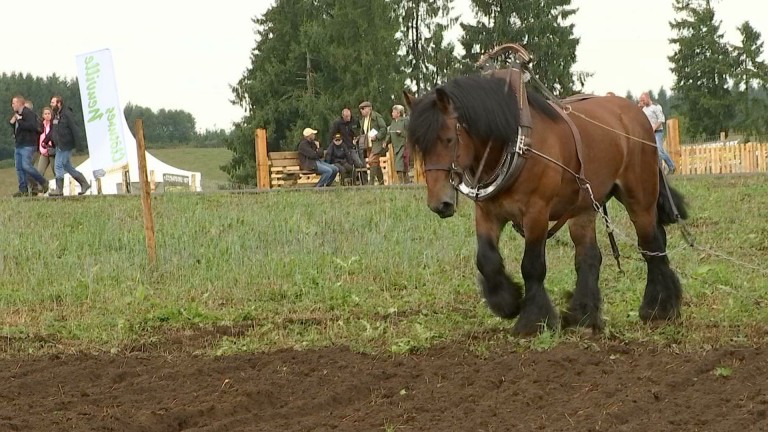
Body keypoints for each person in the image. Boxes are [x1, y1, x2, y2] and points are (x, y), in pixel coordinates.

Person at [48, 95, 91, 196]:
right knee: (67, 166)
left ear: (59, 103)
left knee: (58, 165)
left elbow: (74, 128)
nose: (51, 104)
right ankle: (84, 183)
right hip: (59, 145)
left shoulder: (67, 113)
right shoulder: (55, 115)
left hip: (66, 144)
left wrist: (79, 145)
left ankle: (59, 190)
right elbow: (54, 130)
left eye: (53, 103)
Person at [8, 96, 48, 197]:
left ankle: (43, 181)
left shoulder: (28, 113)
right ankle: (23, 189)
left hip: (28, 144)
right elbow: (17, 128)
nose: (12, 105)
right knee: (19, 168)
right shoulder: (18, 114)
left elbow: (32, 126)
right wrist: (13, 123)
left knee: (26, 166)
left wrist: (20, 121)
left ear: (19, 103)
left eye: (13, 103)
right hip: (19, 144)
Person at [639, 92, 675, 174]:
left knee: (659, 150)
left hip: (658, 132)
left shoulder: (656, 107)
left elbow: (661, 119)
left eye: (643, 100)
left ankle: (671, 166)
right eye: (641, 100)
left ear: (648, 98)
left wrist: (654, 128)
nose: (642, 102)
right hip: (648, 133)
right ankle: (658, 170)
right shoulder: (643, 110)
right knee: (651, 151)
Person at [356, 101, 387, 185]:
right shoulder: (363, 120)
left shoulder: (376, 117)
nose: (361, 111)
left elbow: (383, 128)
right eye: (361, 109)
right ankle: (381, 183)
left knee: (371, 161)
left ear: (369, 108)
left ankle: (371, 182)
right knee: (375, 163)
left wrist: (377, 136)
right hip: (369, 144)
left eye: (363, 109)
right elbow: (363, 132)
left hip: (377, 143)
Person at [328, 107, 365, 176]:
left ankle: (362, 180)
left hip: (353, 146)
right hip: (342, 148)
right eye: (346, 117)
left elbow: (360, 131)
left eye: (349, 116)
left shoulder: (354, 121)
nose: (348, 118)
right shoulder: (337, 123)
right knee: (347, 165)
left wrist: (357, 137)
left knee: (359, 163)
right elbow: (332, 136)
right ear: (343, 116)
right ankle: (350, 180)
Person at [385, 104, 409, 184]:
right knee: (400, 165)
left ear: (398, 113)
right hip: (395, 147)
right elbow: (389, 134)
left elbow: (410, 133)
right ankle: (406, 183)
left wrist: (401, 133)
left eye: (393, 112)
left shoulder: (405, 121)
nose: (392, 113)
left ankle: (402, 183)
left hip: (403, 145)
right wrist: (386, 142)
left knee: (400, 164)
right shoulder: (393, 123)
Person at [35, 106, 55, 182]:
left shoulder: (53, 125)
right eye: (45, 114)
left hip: (52, 151)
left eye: (49, 113)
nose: (47, 115)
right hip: (43, 152)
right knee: (39, 171)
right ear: (43, 115)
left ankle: (59, 189)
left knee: (55, 171)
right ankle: (41, 189)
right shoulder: (41, 125)